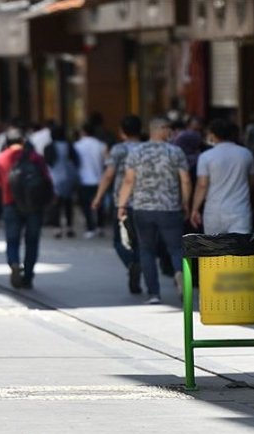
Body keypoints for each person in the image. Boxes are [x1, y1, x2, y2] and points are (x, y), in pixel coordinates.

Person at [117, 117, 191, 305]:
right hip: (170, 208)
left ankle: (154, 294)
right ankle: (179, 274)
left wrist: (122, 205)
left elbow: (128, 181)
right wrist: (185, 202)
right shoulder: (175, 151)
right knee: (176, 248)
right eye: (169, 129)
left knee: (146, 250)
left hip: (143, 208)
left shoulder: (136, 152)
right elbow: (185, 180)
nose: (171, 132)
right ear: (162, 129)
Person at [0, 128, 52, 289]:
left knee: (12, 240)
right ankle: (28, 275)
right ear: (23, 141)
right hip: (34, 204)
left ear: (6, 143)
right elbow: (46, 178)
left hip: (10, 203)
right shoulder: (36, 157)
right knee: (32, 241)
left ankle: (14, 263)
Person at [92, 115, 144, 294]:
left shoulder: (118, 149)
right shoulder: (147, 148)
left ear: (122, 132)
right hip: (145, 201)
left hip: (122, 201)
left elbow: (108, 175)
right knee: (141, 241)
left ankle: (131, 263)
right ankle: (138, 265)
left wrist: (98, 197)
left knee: (118, 241)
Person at [190, 119, 254, 234]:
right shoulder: (246, 154)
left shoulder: (206, 157)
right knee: (240, 245)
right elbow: (253, 181)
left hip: (214, 211)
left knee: (214, 245)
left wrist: (195, 209)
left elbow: (202, 185)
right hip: (240, 210)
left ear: (213, 135)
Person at [44, 125, 79, 238]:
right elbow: (76, 161)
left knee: (55, 204)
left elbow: (47, 162)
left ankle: (57, 228)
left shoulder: (49, 147)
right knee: (68, 203)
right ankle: (69, 227)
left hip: (54, 178)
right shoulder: (69, 145)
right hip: (68, 177)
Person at [74, 122, 108, 238]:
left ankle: (90, 227)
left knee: (86, 205)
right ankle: (100, 226)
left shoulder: (77, 145)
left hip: (83, 179)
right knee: (100, 204)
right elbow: (107, 162)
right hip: (99, 178)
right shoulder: (101, 145)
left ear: (83, 132)